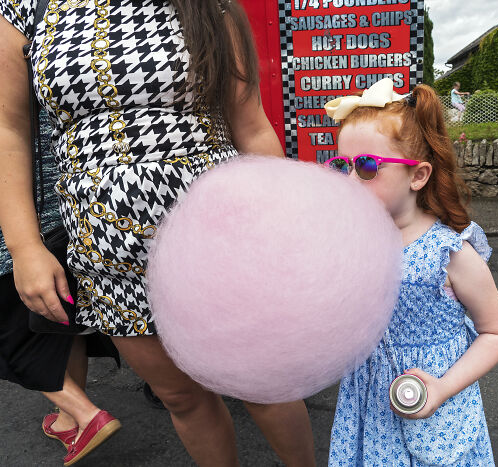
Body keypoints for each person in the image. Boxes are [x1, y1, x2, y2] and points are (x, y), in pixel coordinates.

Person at [0, 1, 314, 466]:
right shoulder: (27, 6)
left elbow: (251, 125)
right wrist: (24, 246)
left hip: (218, 235)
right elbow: (7, 128)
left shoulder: (209, 5)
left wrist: (281, 224)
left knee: (259, 383)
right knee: (180, 397)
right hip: (105, 249)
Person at [323, 78, 498, 465]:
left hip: (435, 403)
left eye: (366, 166)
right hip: (368, 403)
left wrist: (443, 389)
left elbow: (497, 332)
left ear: (418, 175)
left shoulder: (450, 253)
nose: (349, 179)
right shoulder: (352, 242)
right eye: (342, 164)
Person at [0, 107, 122, 465]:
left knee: (12, 341)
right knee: (61, 327)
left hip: (14, 239)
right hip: (64, 222)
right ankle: (68, 421)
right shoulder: (39, 65)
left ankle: (85, 416)